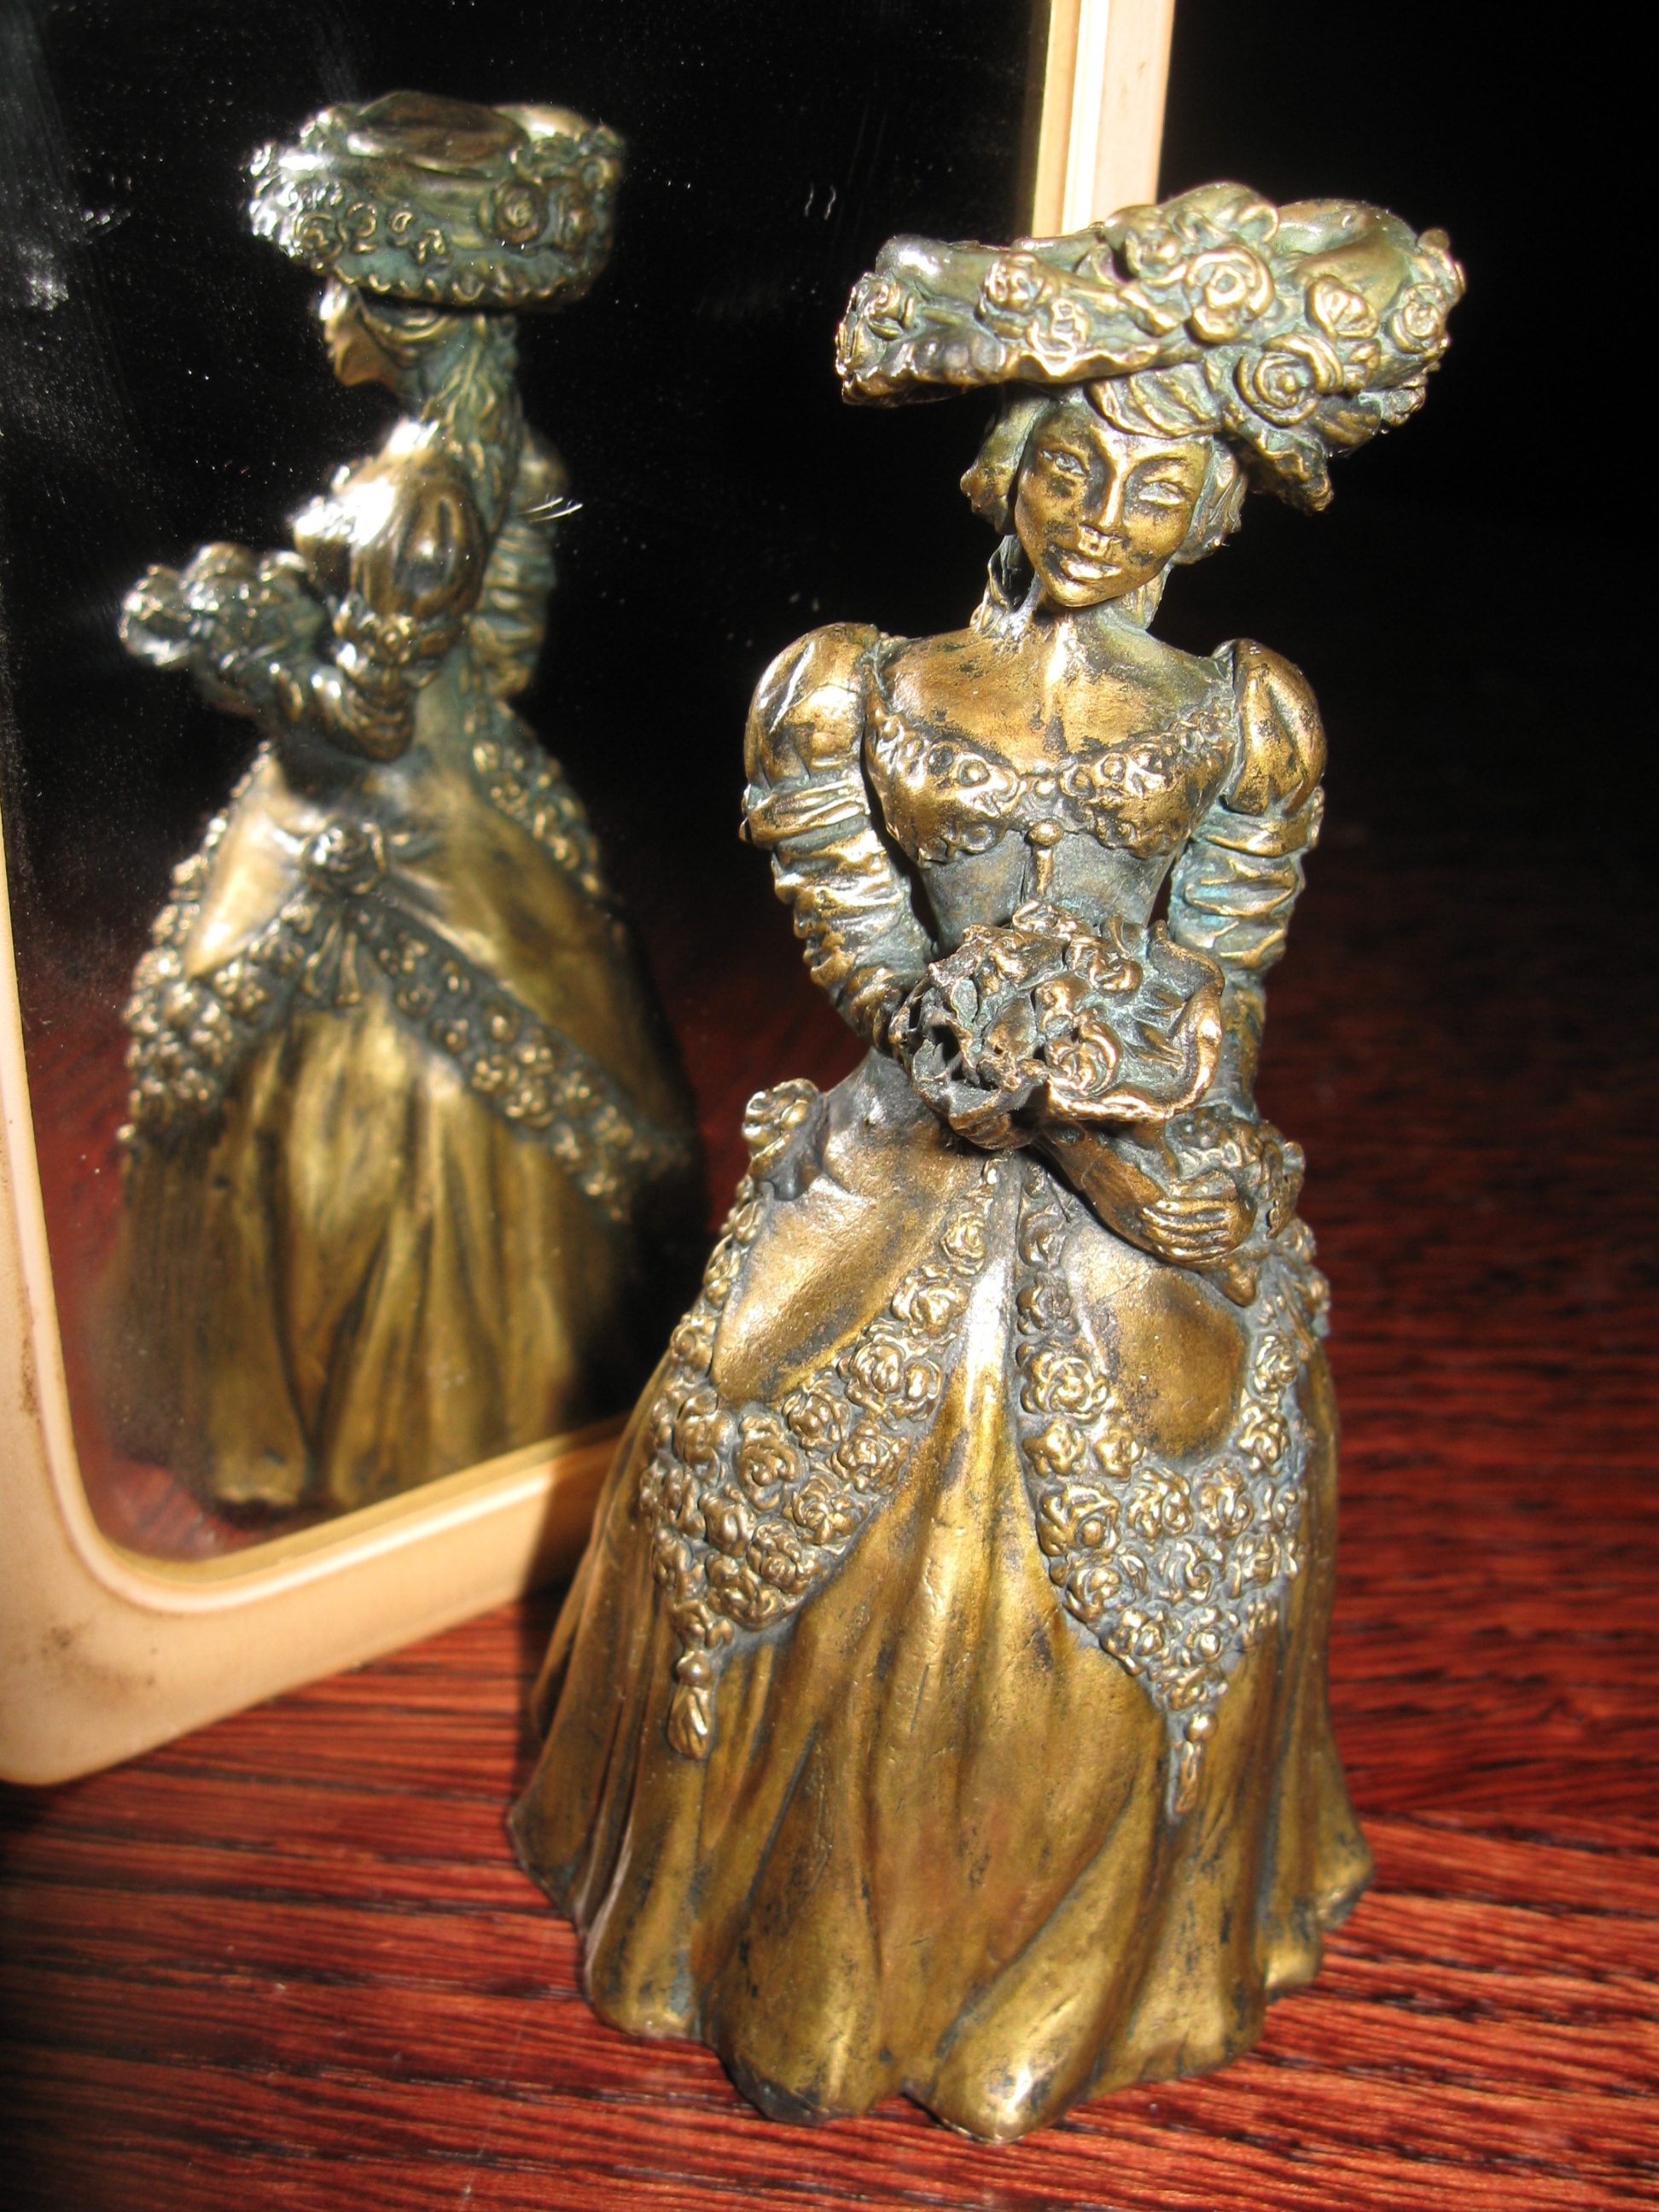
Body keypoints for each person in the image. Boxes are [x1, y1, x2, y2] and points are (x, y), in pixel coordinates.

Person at [511, 184, 1462, 2139]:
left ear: (1210, 515)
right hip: (912, 1134)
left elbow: (1225, 967)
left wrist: (1151, 1119)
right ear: (1008, 467)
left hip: (1143, 1139)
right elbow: (859, 938)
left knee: (1198, 1439)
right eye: (1073, 469)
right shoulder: (861, 688)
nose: (1103, 519)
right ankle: (766, 1923)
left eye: (1156, 490)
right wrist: (991, 1072)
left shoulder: (1239, 718)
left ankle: (1095, 1943)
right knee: (769, 1410)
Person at [102, 93, 701, 1515]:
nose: (326, 315)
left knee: (335, 1074)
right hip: (451, 780)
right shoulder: (480, 457)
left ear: (405, 314)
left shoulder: (427, 492)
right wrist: (294, 612)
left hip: (390, 819)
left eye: (345, 289)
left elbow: (372, 718)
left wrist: (234, 662)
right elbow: (487, 653)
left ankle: (400, 1426)